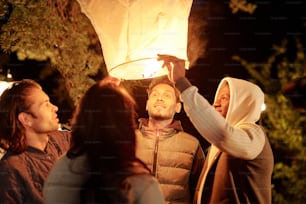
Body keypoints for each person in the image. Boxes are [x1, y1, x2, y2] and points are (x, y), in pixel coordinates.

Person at [158, 54, 274, 204]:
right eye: (216, 98)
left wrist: (181, 83)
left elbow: (224, 135)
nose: (215, 104)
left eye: (224, 98)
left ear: (243, 103)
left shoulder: (255, 135)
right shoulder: (219, 146)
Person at [43, 77, 164, 204]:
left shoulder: (61, 170)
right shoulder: (139, 182)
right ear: (126, 125)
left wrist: (96, 94)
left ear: (82, 117)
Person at [135, 76, 205, 203]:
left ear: (178, 107)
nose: (160, 98)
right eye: (155, 95)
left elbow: (201, 191)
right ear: (147, 104)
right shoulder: (128, 139)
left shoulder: (191, 145)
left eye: (167, 95)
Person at [0, 79, 71, 203]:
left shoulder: (62, 140)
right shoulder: (11, 171)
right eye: (45, 104)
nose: (55, 108)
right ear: (26, 119)